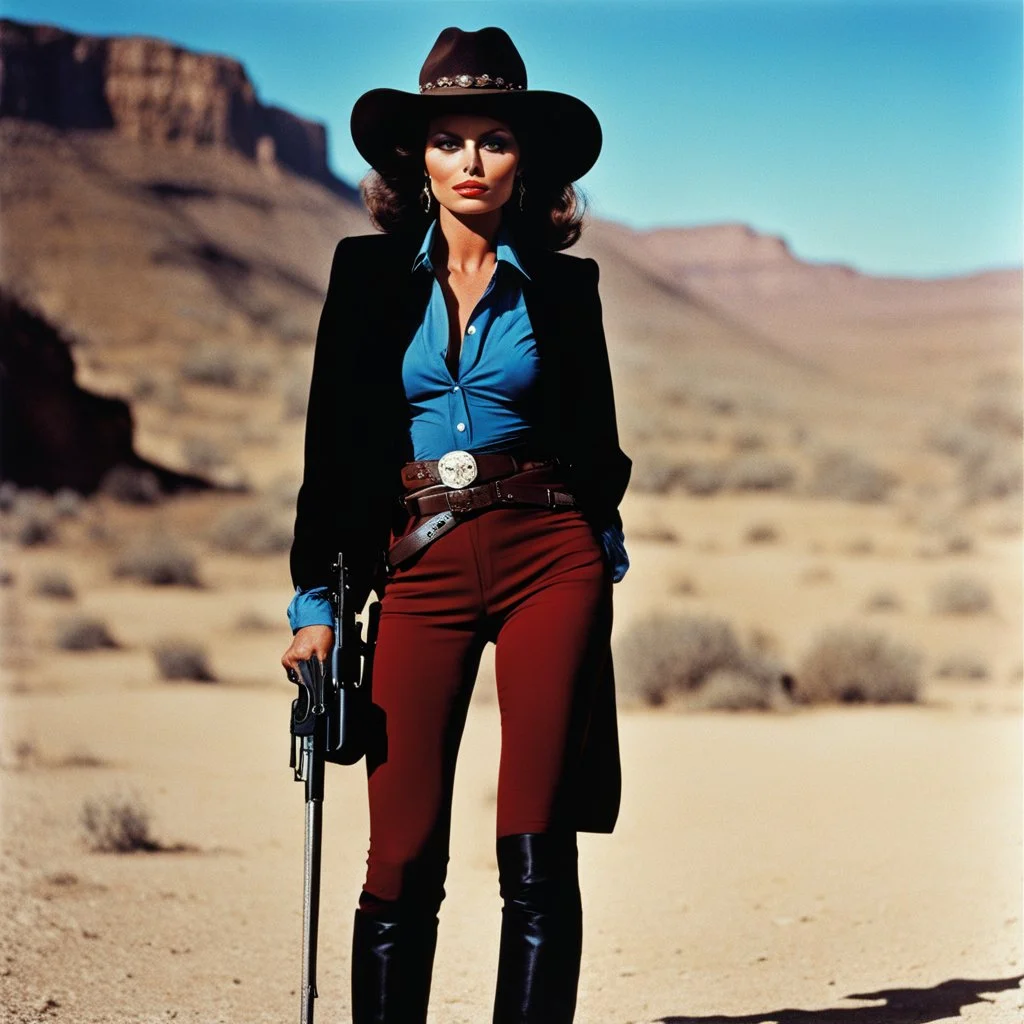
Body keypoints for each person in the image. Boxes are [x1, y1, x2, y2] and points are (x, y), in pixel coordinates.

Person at [280, 26, 632, 1024]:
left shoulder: (568, 288)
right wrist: (316, 599)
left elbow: (596, 444)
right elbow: (332, 449)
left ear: (526, 159)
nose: (470, 161)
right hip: (417, 565)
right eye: (448, 140)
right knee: (398, 844)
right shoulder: (364, 277)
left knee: (534, 827)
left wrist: (599, 550)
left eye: (492, 139)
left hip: (547, 559)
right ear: (416, 160)